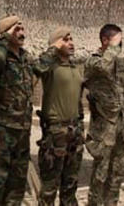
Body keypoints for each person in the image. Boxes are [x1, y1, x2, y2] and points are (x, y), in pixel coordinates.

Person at [0, 15, 35, 206]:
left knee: (18, 180)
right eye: (17, 29)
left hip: (22, 128)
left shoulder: (26, 57)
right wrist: (4, 38)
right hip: (1, 128)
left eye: (22, 29)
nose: (22, 33)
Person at [35, 28, 85, 206]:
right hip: (56, 132)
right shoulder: (49, 66)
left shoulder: (75, 67)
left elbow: (77, 98)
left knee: (70, 185)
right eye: (65, 40)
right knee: (49, 187)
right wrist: (53, 48)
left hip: (74, 131)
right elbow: (37, 67)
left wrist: (80, 126)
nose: (71, 43)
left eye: (72, 39)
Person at [82, 24, 124, 206]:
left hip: (120, 125)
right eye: (118, 40)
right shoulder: (94, 61)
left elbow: (121, 93)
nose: (121, 44)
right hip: (103, 128)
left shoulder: (118, 62)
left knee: (117, 172)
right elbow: (102, 68)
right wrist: (112, 49)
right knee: (100, 173)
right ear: (105, 40)